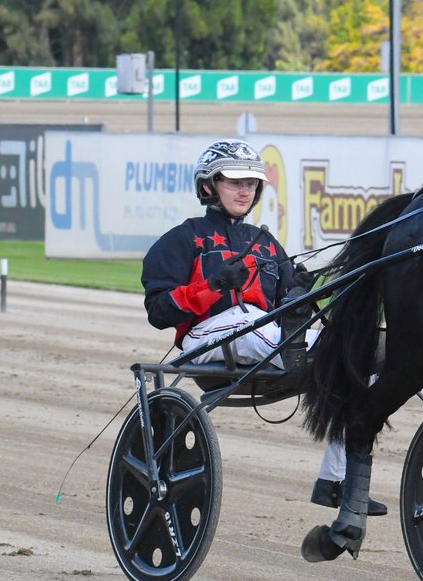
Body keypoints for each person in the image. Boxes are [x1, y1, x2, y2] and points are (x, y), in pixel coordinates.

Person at [141, 139, 386, 516]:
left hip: (265, 336)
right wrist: (214, 285)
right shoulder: (182, 239)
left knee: (359, 360)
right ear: (208, 186)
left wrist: (301, 292)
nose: (244, 191)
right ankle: (316, 359)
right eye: (234, 182)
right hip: (207, 337)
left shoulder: (268, 245)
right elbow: (159, 310)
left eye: (251, 184)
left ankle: (335, 481)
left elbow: (286, 307)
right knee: (254, 325)